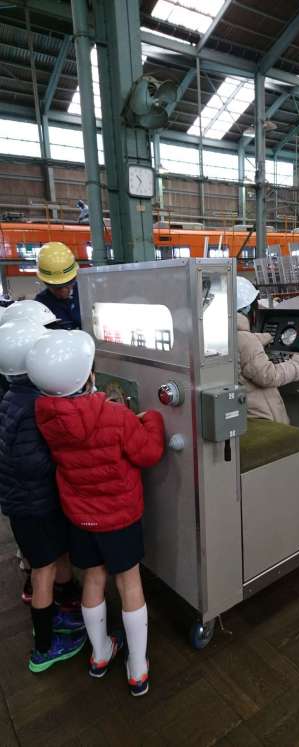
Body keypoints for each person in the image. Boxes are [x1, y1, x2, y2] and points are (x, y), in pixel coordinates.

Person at [27, 329, 165, 696]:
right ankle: (138, 668)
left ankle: (100, 653)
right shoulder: (115, 415)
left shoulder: (46, 418)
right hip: (119, 516)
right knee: (129, 583)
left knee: (93, 579)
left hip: (80, 517)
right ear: (87, 377)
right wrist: (151, 420)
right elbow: (149, 453)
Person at [0, 319, 86, 673]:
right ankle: (45, 647)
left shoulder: (13, 397)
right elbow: (32, 463)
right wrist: (62, 455)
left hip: (27, 503)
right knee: (43, 571)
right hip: (33, 506)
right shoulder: (32, 405)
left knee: (55, 557)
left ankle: (65, 609)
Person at [236, 276, 299, 424]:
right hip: (261, 416)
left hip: (242, 411)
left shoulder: (224, 334)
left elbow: (241, 344)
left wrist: (263, 338)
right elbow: (270, 376)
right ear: (247, 308)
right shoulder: (246, 340)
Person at [35, 242, 81, 329]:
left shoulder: (86, 293)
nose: (63, 292)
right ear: (45, 282)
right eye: (57, 288)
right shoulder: (41, 305)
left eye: (67, 285)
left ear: (74, 277)